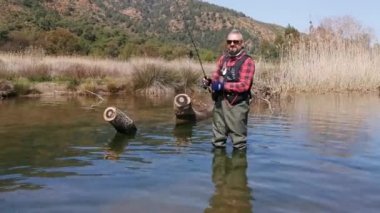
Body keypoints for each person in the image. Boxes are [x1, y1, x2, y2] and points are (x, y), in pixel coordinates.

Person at [203, 29, 255, 150]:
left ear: (242, 43)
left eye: (235, 41)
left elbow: (244, 85)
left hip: (237, 106)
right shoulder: (223, 59)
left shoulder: (247, 61)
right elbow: (216, 76)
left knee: (239, 144)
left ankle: (237, 167)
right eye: (229, 41)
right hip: (219, 104)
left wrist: (222, 86)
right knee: (217, 141)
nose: (232, 44)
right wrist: (210, 82)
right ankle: (218, 167)